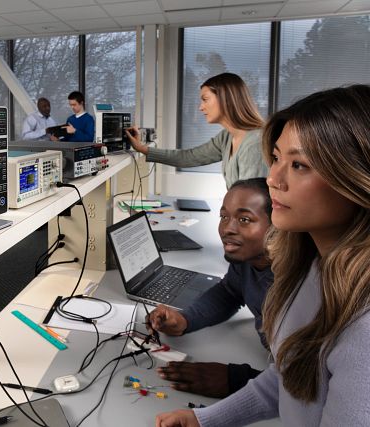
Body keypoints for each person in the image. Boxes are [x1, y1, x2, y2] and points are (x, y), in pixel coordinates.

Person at [155, 85, 370, 427]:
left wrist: (232, 379)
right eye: (276, 158)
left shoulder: (363, 326)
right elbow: (291, 378)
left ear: (356, 179)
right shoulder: (311, 269)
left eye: (299, 164)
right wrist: (204, 420)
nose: (273, 179)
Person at [146, 178, 273, 399]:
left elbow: (314, 379)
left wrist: (238, 380)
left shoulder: (302, 283)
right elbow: (229, 292)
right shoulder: (247, 259)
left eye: (244, 219)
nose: (227, 229)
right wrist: (185, 320)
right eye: (224, 217)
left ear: (277, 224)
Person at [126, 73, 268, 189]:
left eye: (205, 100)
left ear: (226, 99)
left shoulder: (254, 144)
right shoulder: (227, 137)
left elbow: (251, 201)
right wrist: (142, 148)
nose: (201, 107)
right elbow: (188, 157)